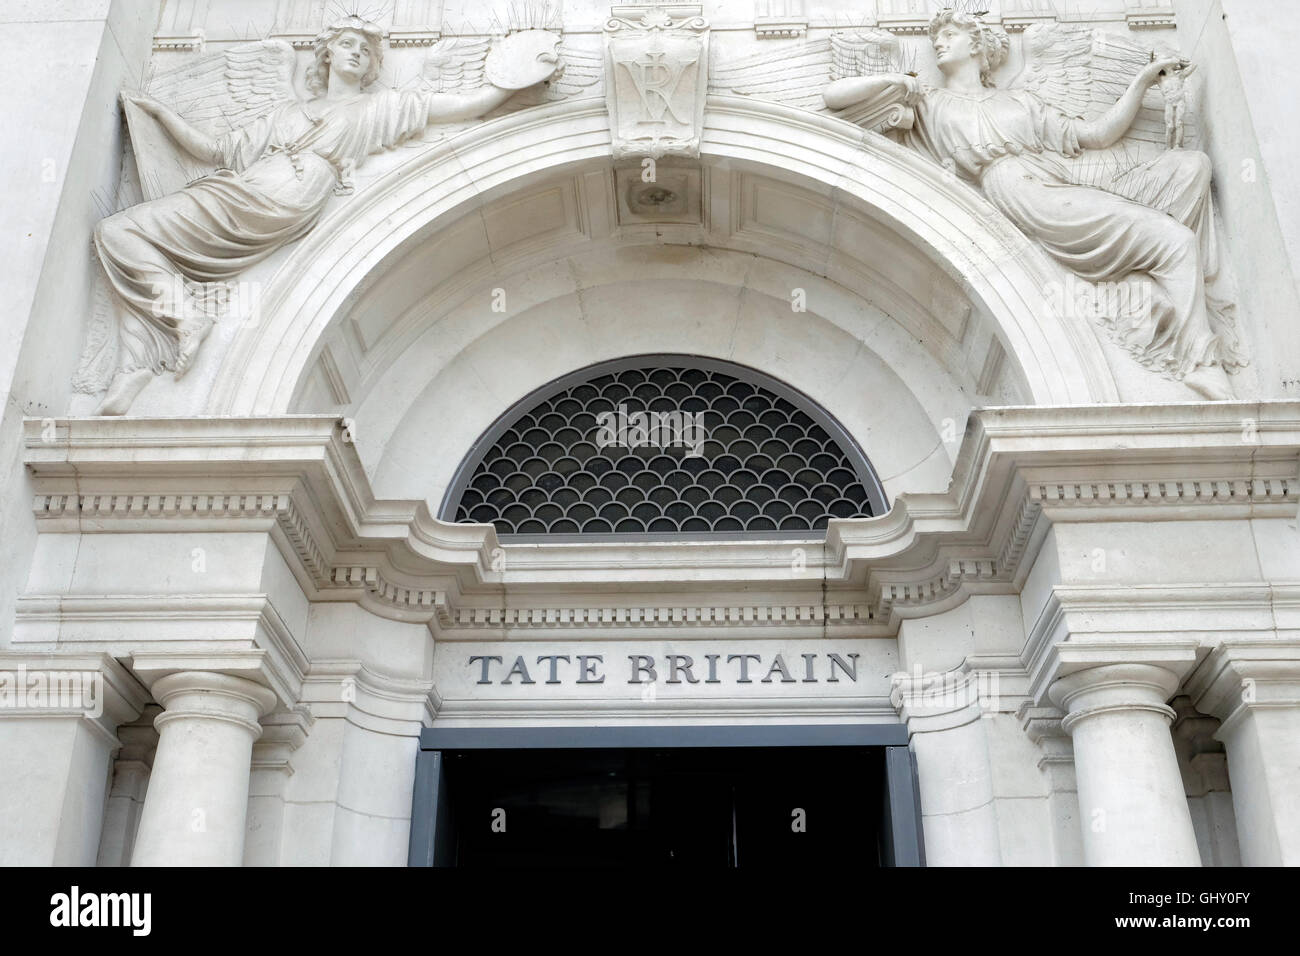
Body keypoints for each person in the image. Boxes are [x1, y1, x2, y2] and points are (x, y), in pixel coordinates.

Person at [91, 16, 553, 414]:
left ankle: (173, 329)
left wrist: (510, 81)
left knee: (126, 232)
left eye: (366, 50)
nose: (356, 53)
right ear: (327, 52)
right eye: (346, 44)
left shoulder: (379, 107)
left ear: (375, 66)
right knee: (120, 233)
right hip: (239, 186)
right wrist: (159, 112)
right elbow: (216, 150)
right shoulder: (286, 112)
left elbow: (459, 108)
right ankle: (149, 352)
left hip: (286, 193)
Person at [824, 9, 1242, 399]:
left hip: (1058, 181)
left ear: (977, 45)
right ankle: (1197, 358)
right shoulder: (928, 102)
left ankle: (1164, 317)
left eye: (949, 35)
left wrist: (1144, 81)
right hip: (1021, 192)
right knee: (1175, 241)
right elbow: (835, 98)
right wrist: (896, 82)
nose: (938, 44)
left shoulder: (1020, 101)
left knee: (1190, 167)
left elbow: (1096, 136)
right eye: (936, 38)